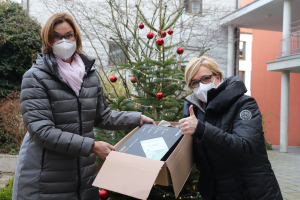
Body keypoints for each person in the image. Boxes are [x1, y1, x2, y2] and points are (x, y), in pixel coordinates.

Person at [12, 13, 154, 200]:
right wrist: (92, 146)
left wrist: (137, 118)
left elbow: (102, 116)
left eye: (69, 35)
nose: (64, 41)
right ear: (48, 40)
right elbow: (41, 131)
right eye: (57, 36)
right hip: (44, 179)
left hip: (82, 177)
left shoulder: (89, 75)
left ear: (76, 37)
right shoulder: (35, 77)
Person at [179, 57, 283, 200]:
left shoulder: (244, 104)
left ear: (218, 77)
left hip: (251, 193)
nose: (200, 86)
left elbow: (244, 147)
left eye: (205, 78)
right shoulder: (195, 112)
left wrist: (201, 129)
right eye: (194, 83)